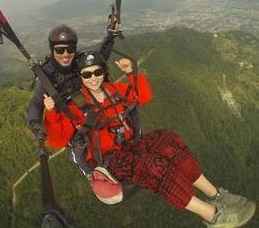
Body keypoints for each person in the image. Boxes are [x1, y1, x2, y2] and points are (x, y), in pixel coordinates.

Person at [43, 50, 256, 228]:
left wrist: (131, 73)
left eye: (97, 71)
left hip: (130, 146)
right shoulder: (77, 106)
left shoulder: (115, 91)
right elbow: (58, 140)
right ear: (80, 77)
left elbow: (143, 97)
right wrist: (52, 112)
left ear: (104, 71)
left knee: (169, 139)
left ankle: (217, 195)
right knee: (153, 165)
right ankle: (212, 215)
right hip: (108, 161)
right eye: (87, 74)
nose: (93, 77)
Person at [26, 24, 115, 142]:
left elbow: (99, 58)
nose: (65, 54)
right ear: (52, 50)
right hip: (69, 123)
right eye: (59, 50)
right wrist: (36, 125)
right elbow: (36, 103)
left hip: (89, 114)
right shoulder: (47, 76)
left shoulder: (78, 62)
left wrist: (111, 36)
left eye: (70, 49)